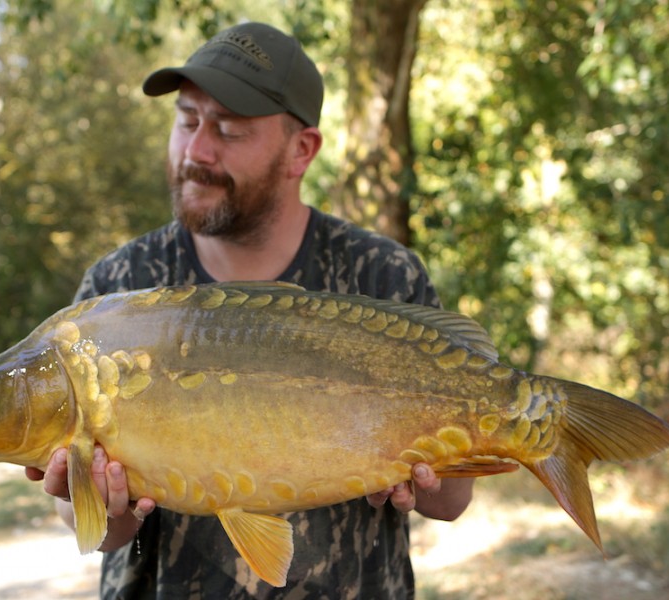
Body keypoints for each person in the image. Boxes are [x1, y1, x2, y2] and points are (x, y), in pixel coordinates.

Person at [26, 21, 473, 599]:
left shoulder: (383, 276)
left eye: (229, 130)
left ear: (301, 150)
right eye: (187, 120)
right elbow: (94, 531)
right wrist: (104, 508)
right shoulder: (118, 288)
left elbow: (453, 500)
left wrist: (423, 477)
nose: (196, 150)